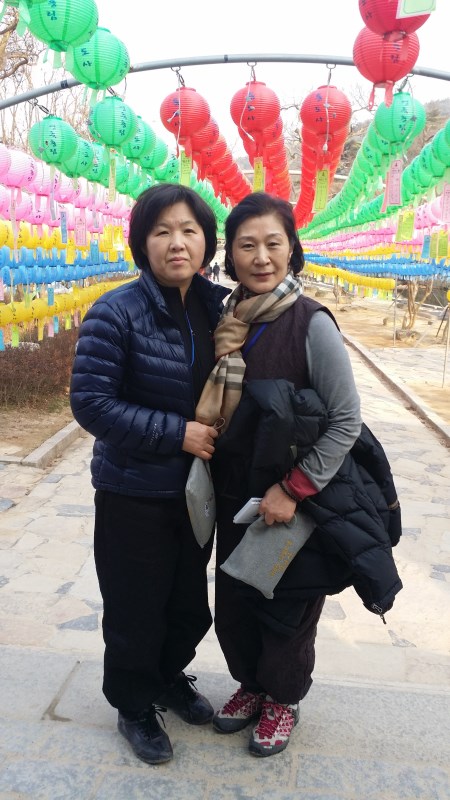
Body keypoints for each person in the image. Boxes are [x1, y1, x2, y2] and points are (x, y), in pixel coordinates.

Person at [194, 192, 401, 758]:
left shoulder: (311, 323)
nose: (261, 257)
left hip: (296, 499)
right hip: (236, 493)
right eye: (247, 245)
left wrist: (293, 489)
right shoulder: (229, 319)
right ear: (231, 254)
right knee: (236, 602)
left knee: (286, 607)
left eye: (273, 243)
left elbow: (346, 420)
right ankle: (252, 684)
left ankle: (283, 698)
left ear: (292, 249)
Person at [70, 184, 230, 766]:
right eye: (162, 231)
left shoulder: (219, 310)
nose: (176, 242)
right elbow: (91, 404)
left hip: (196, 493)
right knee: (135, 608)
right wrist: (176, 433)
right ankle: (134, 705)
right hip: (133, 491)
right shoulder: (115, 312)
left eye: (189, 230)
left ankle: (166, 676)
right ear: (143, 242)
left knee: (187, 604)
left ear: (207, 241)